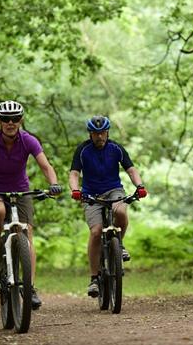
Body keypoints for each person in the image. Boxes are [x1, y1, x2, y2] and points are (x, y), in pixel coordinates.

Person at [0, 100, 62, 310]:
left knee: (26, 235)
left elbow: (46, 166)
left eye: (15, 118)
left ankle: (30, 288)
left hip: (20, 191)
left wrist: (53, 184)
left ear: (21, 120)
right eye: (6, 119)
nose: (11, 123)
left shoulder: (29, 141)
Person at [69, 115, 147, 298]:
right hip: (91, 194)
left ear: (107, 132)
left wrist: (140, 186)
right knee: (96, 232)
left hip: (114, 190)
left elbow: (131, 169)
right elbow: (74, 173)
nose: (99, 137)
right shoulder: (83, 150)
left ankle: (119, 244)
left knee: (120, 211)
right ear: (90, 134)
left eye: (103, 133)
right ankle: (94, 279)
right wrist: (75, 190)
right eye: (95, 133)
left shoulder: (116, 148)